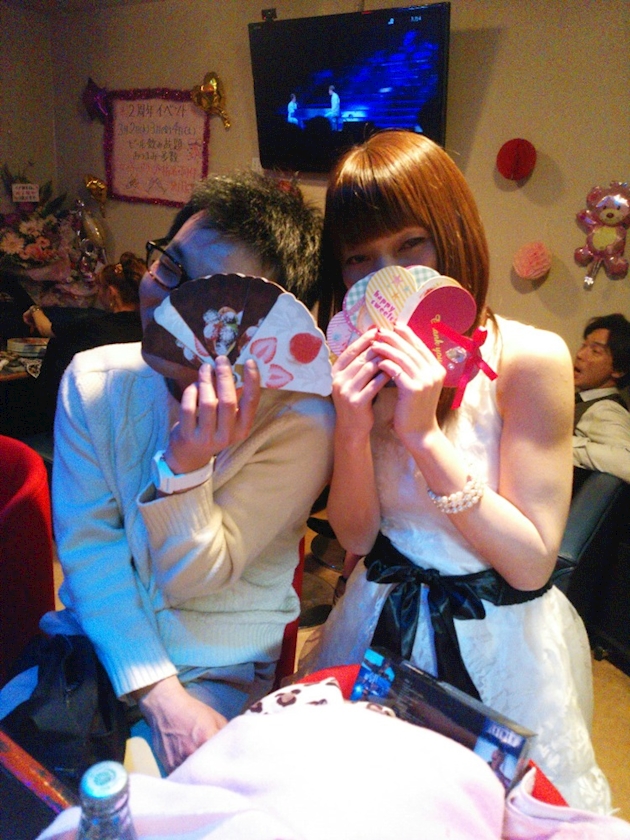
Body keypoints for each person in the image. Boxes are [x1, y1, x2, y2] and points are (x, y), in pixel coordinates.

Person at [303, 130, 611, 813]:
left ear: (454, 233)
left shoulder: (529, 358)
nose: (387, 277)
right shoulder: (357, 364)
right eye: (360, 258)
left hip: (497, 638)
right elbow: (356, 538)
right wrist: (353, 428)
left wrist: (423, 438)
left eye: (411, 245)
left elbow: (531, 563)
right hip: (379, 617)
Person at [42, 171, 334, 773]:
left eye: (208, 297)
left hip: (216, 662)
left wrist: (187, 468)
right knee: (27, 785)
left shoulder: (301, 422)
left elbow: (192, 579)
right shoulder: (94, 382)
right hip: (94, 640)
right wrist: (159, 696)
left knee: (152, 806)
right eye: (169, 267)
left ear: (266, 323)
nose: (169, 303)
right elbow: (90, 553)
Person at [21, 252, 145, 433]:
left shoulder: (91, 327)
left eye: (100, 289)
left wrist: (34, 310)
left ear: (111, 293)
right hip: (133, 423)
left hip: (79, 424)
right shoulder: (153, 329)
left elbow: (46, 330)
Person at [573, 313, 630, 484]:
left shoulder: (605, 410)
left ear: (618, 370)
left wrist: (560, 443)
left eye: (595, 351)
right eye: (584, 345)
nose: (580, 354)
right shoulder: (582, 400)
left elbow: (626, 462)